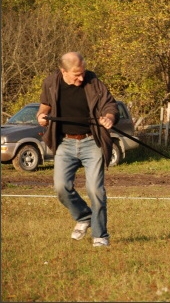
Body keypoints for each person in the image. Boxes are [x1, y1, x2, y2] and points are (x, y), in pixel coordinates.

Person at [36, 52, 119, 247]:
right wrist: (41, 115)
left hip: (92, 142)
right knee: (61, 187)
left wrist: (109, 118)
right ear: (63, 71)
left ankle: (100, 236)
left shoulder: (93, 82)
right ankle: (84, 216)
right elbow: (44, 106)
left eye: (82, 73)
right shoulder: (50, 83)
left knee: (95, 190)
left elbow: (110, 105)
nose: (81, 78)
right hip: (65, 143)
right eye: (76, 74)